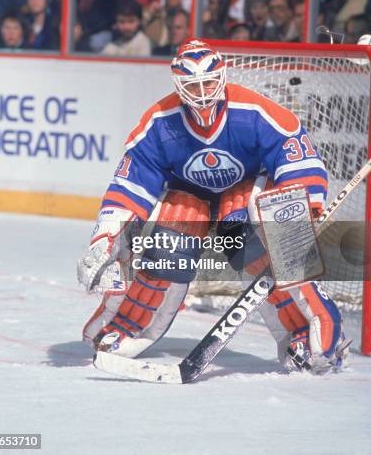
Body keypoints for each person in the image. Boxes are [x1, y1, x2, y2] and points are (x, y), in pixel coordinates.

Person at [77, 39, 349, 374]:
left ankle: (307, 330)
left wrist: (301, 205)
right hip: (188, 197)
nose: (203, 92)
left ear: (221, 77)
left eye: (208, 82)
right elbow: (129, 188)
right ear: (179, 85)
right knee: (173, 234)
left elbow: (296, 159)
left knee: (250, 229)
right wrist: (104, 238)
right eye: (193, 85)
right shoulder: (159, 122)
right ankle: (127, 324)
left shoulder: (256, 112)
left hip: (247, 191)